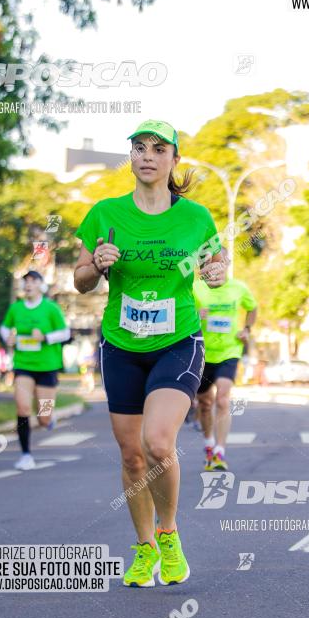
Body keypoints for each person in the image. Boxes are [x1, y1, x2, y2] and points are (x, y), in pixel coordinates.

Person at [74, 119, 226, 588]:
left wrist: (217, 273)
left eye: (158, 149)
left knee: (158, 443)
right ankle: (143, 548)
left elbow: (216, 263)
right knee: (131, 456)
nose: (147, 155)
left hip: (178, 341)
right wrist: (95, 267)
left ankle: (168, 533)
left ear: (173, 160)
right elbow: (79, 280)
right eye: (139, 147)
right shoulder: (105, 213)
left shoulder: (196, 217)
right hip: (121, 345)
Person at [0, 270, 70, 469]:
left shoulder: (51, 308)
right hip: (23, 365)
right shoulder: (16, 308)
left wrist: (45, 337)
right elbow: (4, 328)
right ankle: (25, 455)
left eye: (33, 281)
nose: (28, 285)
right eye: (26, 281)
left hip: (47, 366)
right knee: (22, 407)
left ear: (40, 285)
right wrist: (8, 338)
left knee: (43, 418)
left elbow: (65, 332)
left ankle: (48, 419)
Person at [194, 276, 257, 469]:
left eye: (219, 261)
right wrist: (195, 314)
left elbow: (252, 307)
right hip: (202, 351)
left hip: (229, 351)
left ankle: (220, 452)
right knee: (205, 404)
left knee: (222, 399)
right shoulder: (194, 287)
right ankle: (209, 446)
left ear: (226, 262)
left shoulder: (239, 287)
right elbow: (178, 310)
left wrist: (247, 329)